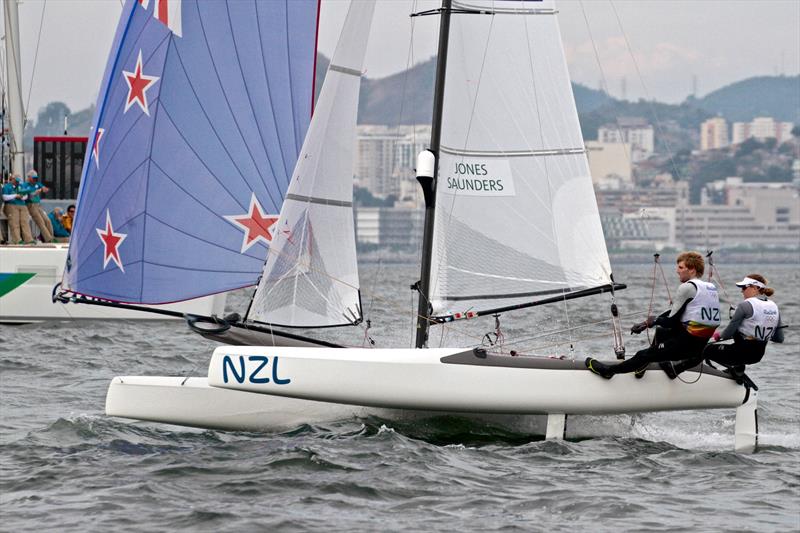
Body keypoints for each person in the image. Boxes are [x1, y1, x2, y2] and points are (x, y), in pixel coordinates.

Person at [585, 251, 721, 379]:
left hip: (687, 346)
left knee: (642, 354)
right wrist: (647, 323)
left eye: (681, 267)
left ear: (691, 270)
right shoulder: (710, 288)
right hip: (700, 346)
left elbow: (671, 322)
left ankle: (609, 372)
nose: (677, 271)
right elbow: (686, 315)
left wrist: (653, 321)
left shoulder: (686, 287)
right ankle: (646, 366)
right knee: (662, 332)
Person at [698, 274, 784, 376]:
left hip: (738, 354)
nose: (741, 291)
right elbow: (779, 338)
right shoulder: (774, 307)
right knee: (740, 337)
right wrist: (761, 335)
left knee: (705, 350)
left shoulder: (745, 305)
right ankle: (737, 370)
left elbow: (726, 335)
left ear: (755, 288)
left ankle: (679, 369)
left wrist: (717, 335)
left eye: (744, 287)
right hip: (757, 356)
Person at [2, 174, 35, 244]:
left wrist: (22, 197)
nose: (17, 183)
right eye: (16, 181)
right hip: (11, 205)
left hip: (22, 205)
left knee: (25, 222)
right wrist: (15, 196)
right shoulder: (6, 186)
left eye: (18, 181)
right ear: (12, 179)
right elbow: (4, 197)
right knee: (14, 222)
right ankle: (17, 240)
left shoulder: (21, 186)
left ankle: (29, 239)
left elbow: (26, 196)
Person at [24, 170, 54, 243]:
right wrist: (35, 193)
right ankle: (48, 238)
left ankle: (52, 237)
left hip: (38, 205)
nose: (35, 180)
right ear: (29, 177)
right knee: (40, 222)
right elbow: (26, 196)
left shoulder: (37, 184)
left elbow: (44, 188)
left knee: (47, 220)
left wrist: (44, 189)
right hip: (31, 205)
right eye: (33, 178)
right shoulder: (25, 185)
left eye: (35, 178)